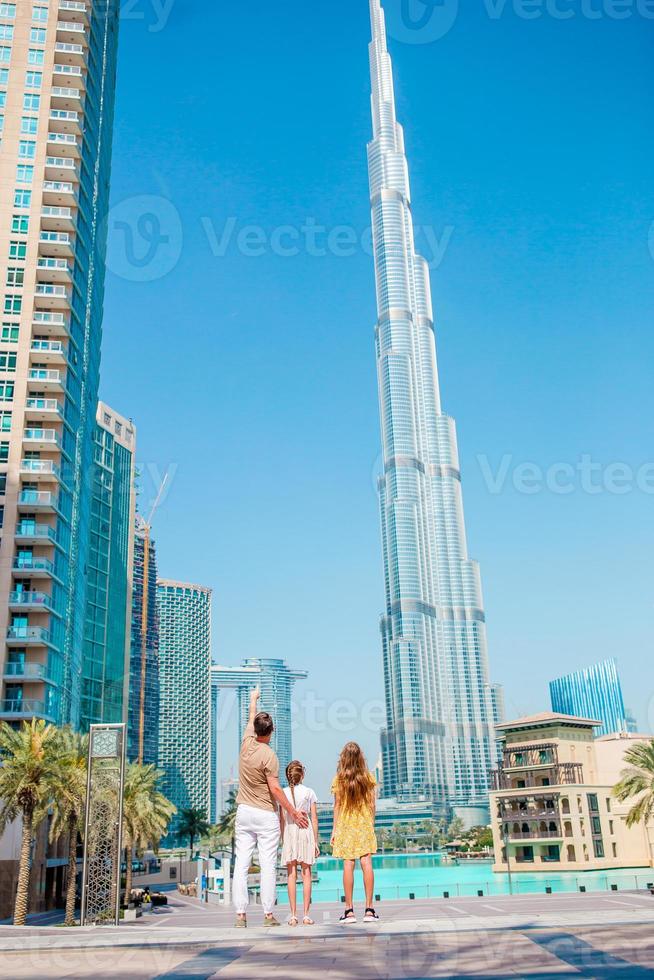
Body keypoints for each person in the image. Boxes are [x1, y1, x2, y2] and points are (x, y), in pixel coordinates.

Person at [233, 687, 309, 928]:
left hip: (244, 811)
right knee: (267, 865)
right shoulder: (269, 755)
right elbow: (276, 790)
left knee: (241, 864)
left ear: (255, 730)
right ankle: (267, 915)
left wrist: (253, 699)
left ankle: (240, 915)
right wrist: (293, 812)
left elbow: (250, 716)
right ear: (272, 731)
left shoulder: (246, 743)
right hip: (265, 814)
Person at [331, 741, 379, 924]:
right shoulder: (368, 777)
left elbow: (336, 807)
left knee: (348, 864)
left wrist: (334, 830)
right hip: (364, 824)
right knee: (366, 863)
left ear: (343, 758)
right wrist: (371, 825)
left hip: (345, 825)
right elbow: (372, 804)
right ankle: (369, 910)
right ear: (360, 758)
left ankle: (349, 911)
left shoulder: (339, 780)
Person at [280, 760, 319, 926]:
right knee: (306, 874)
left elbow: (282, 819)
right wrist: (315, 842)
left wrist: (283, 839)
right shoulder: (309, 792)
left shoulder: (283, 793)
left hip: (290, 831)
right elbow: (314, 819)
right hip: (305, 832)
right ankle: (306, 915)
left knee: (291, 875)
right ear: (302, 774)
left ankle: (293, 915)